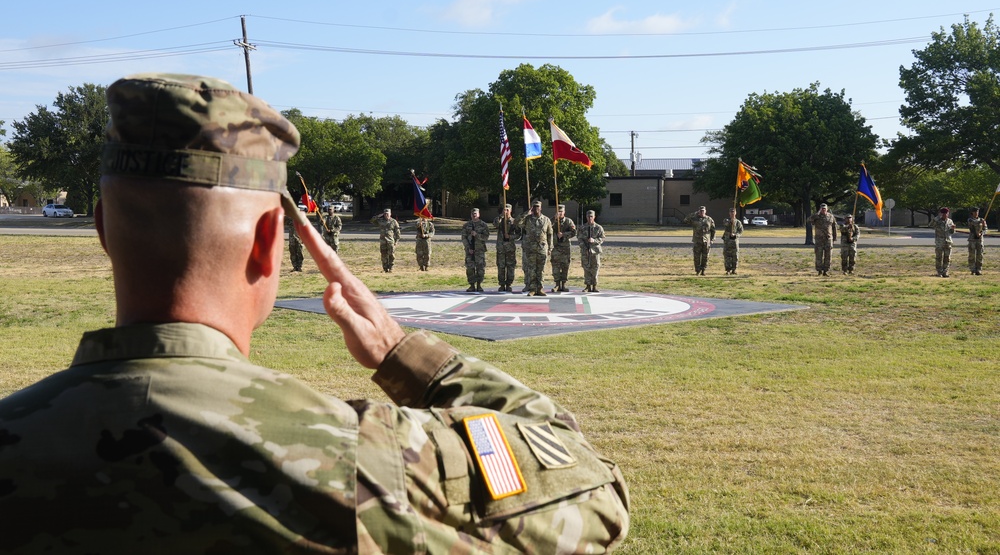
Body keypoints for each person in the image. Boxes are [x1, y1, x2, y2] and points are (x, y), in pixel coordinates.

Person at [0, 73, 629, 554]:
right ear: (271, 241)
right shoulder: (366, 459)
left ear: (105, 229)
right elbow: (591, 489)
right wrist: (406, 357)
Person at [519, 200, 554, 296]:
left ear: (541, 208)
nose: (536, 208)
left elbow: (550, 234)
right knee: (531, 269)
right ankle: (533, 289)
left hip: (542, 248)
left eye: (537, 206)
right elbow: (518, 223)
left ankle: (540, 288)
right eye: (534, 207)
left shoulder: (546, 220)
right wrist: (526, 212)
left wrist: (550, 248)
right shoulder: (527, 219)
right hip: (530, 248)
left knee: (541, 269)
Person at [550, 204, 577, 292]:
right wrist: (554, 219)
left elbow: (574, 232)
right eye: (558, 211)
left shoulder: (568, 221)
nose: (560, 213)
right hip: (555, 246)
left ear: (564, 212)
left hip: (565, 247)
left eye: (561, 211)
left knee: (565, 266)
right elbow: (548, 228)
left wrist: (564, 234)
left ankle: (563, 284)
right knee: (555, 265)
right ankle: (557, 284)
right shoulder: (552, 220)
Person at [493, 203, 521, 292]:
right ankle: (501, 284)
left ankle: (509, 284)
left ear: (511, 210)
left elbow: (519, 235)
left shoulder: (514, 222)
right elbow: (495, 224)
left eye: (507, 210)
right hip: (501, 248)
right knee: (501, 266)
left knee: (510, 266)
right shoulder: (500, 220)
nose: (506, 212)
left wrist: (510, 237)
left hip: (510, 248)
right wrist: (501, 215)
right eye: (504, 210)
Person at [461, 207, 490, 292]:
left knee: (480, 268)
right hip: (470, 250)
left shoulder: (483, 225)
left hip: (480, 250)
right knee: (470, 268)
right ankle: (472, 285)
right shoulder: (466, 225)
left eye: (476, 214)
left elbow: (486, 237)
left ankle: (479, 285)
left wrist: (477, 235)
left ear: (479, 214)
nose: (474, 216)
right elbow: (464, 238)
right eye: (473, 214)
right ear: (471, 215)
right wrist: (468, 247)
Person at [578, 209, 606, 292]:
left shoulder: (598, 227)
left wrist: (594, 241)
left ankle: (594, 286)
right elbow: (579, 239)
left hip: (595, 251)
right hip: (585, 251)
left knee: (595, 268)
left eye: (591, 216)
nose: (590, 218)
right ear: (586, 217)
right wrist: (584, 248)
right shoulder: (582, 228)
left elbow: (602, 237)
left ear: (594, 217)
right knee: (586, 268)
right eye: (588, 216)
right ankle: (587, 286)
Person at [684, 206, 715, 275]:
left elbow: (713, 230)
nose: (702, 212)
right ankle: (697, 270)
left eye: (703, 211)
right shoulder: (694, 219)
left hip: (706, 241)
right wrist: (694, 214)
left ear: (705, 211)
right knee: (697, 257)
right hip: (697, 240)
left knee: (705, 256)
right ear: (698, 211)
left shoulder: (709, 219)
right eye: (700, 211)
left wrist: (712, 239)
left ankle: (703, 270)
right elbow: (685, 220)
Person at [808, 203, 838, 276]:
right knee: (819, 255)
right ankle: (819, 271)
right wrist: (816, 214)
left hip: (828, 239)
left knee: (828, 256)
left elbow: (834, 227)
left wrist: (834, 238)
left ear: (827, 209)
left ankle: (826, 271)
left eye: (825, 208)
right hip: (819, 239)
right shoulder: (816, 217)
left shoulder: (831, 216)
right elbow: (808, 220)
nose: (823, 210)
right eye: (822, 208)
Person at [370, 207, 401, 273]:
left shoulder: (394, 221)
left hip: (390, 241)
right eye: (385, 214)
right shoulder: (380, 221)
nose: (386, 215)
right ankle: (385, 268)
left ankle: (391, 268)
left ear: (390, 214)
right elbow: (372, 220)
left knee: (391, 255)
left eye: (387, 214)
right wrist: (378, 216)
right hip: (383, 241)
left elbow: (398, 233)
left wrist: (396, 242)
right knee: (383, 255)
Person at [929, 206, 956, 277]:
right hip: (939, 242)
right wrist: (938, 217)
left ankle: (945, 271)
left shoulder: (950, 221)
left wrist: (953, 229)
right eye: (943, 213)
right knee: (939, 257)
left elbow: (952, 232)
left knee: (947, 258)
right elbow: (930, 225)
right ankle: (939, 272)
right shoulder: (937, 220)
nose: (945, 215)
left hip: (948, 241)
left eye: (946, 213)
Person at [721, 207, 743, 275]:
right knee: (727, 255)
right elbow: (726, 224)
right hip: (727, 241)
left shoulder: (738, 222)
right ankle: (728, 269)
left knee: (735, 255)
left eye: (733, 212)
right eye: (731, 212)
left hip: (734, 242)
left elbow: (741, 231)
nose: (732, 213)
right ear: (729, 213)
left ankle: (734, 269)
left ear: (735, 213)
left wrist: (736, 235)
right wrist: (731, 221)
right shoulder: (726, 220)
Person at [967, 207, 987, 275]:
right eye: (975, 212)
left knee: (980, 255)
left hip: (980, 240)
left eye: (977, 212)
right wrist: (976, 233)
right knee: (972, 255)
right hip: (972, 239)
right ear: (972, 213)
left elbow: (985, 229)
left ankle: (979, 269)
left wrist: (981, 233)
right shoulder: (970, 220)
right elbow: (971, 227)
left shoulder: (982, 220)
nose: (976, 213)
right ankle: (972, 269)